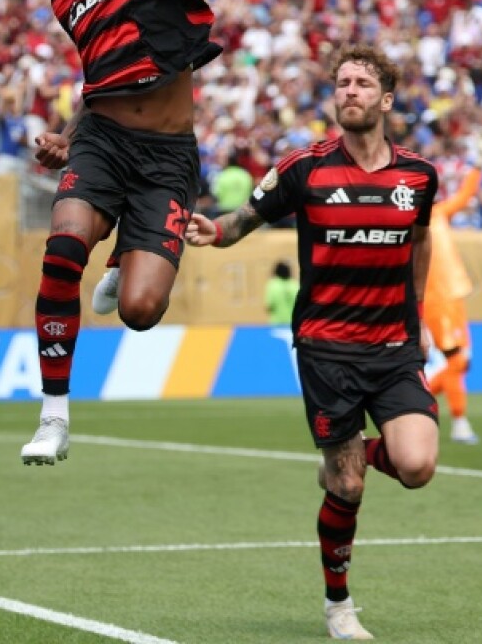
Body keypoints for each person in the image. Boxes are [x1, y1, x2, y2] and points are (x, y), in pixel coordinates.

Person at [20, 0, 304, 465]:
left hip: (167, 158)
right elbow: (103, 78)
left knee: (141, 312)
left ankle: (127, 249)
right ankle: (53, 416)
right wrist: (69, 137)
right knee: (64, 250)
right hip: (100, 141)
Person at [185, 45, 439, 641]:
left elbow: (421, 244)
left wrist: (419, 312)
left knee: (418, 464)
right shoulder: (305, 167)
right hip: (328, 347)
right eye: (342, 82)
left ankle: (343, 456)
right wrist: (213, 230)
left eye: (361, 83)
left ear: (385, 99)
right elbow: (246, 216)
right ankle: (339, 605)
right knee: (348, 485)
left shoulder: (419, 176)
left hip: (395, 345)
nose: (349, 90)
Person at [424, 163, 482, 444]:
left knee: (461, 363)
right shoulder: (413, 221)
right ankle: (459, 421)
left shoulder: (439, 213)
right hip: (437, 301)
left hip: (453, 296)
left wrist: (478, 168)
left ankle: (417, 401)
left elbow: (464, 195)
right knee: (455, 360)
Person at [265, 261, 299, 326]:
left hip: (277, 323)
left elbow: (268, 306)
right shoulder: (295, 285)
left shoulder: (272, 285)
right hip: (293, 323)